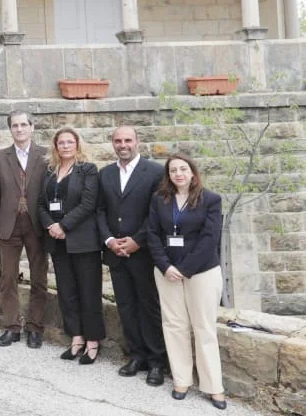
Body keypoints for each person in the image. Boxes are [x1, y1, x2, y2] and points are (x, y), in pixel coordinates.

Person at [148, 154, 226, 409]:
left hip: (201, 272)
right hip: (167, 271)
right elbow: (152, 234)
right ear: (168, 175)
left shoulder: (210, 200)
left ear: (193, 172)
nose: (178, 174)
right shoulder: (160, 199)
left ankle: (214, 387)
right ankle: (181, 380)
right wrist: (165, 266)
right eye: (173, 170)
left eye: (183, 169)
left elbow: (209, 239)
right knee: (174, 325)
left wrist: (183, 269)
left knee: (204, 328)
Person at [98, 125, 168, 385]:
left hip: (143, 253)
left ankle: (157, 361)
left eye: (128, 140)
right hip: (115, 252)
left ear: (137, 142)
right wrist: (109, 240)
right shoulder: (105, 174)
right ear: (113, 143)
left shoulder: (156, 172)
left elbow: (157, 213)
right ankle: (136, 355)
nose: (123, 144)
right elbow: (100, 211)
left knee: (149, 306)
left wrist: (137, 241)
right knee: (125, 306)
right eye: (118, 140)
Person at [38, 127, 104, 364]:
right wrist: (51, 227)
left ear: (77, 144)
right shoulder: (49, 172)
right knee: (67, 292)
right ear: (55, 147)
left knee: (88, 291)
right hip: (57, 242)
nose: (65, 146)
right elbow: (40, 205)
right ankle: (76, 337)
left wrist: (63, 226)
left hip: (83, 241)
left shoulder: (88, 170)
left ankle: (93, 341)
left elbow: (88, 204)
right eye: (61, 143)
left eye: (69, 142)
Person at [0, 110, 49, 349]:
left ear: (32, 127)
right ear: (10, 129)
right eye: (15, 125)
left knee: (39, 278)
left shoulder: (44, 155)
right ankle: (12, 327)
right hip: (8, 224)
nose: (20, 129)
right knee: (8, 277)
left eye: (24, 125)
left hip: (36, 224)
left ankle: (35, 327)